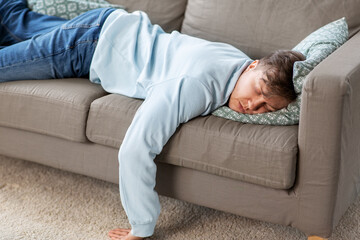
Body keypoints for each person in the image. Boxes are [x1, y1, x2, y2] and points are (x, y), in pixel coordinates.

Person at [0, 1, 305, 239]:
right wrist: (142, 226)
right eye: (258, 92)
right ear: (252, 67)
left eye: (267, 108)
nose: (252, 105)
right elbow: (135, 149)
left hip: (108, 23)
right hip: (83, 47)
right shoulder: (194, 85)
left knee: (15, 21)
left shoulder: (235, 58)